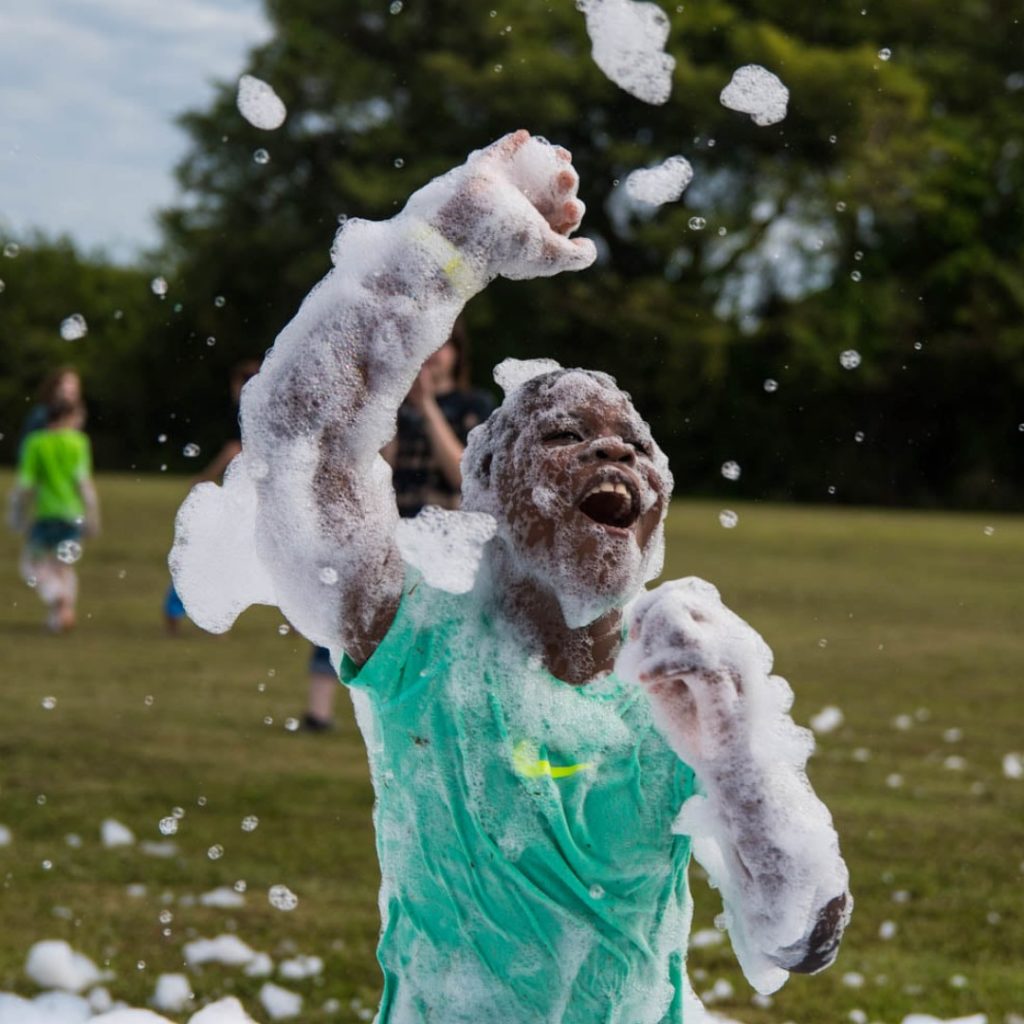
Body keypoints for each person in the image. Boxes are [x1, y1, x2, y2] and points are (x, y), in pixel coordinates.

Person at [173, 131, 850, 1021]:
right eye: (565, 437)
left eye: (637, 444)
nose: (615, 448)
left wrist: (736, 760)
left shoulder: (674, 695)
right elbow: (303, 443)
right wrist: (442, 246)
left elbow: (800, 940)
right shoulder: (418, 646)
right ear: (487, 488)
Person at [302, 320, 494, 731]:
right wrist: (391, 406)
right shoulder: (388, 407)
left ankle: (427, 716)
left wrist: (426, 408)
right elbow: (375, 471)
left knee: (437, 632)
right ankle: (318, 713)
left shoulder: (475, 405)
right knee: (347, 615)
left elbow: (463, 476)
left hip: (445, 538)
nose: (434, 355)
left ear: (457, 354)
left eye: (443, 346)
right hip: (389, 529)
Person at [164, 359, 261, 633]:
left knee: (209, 550)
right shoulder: (262, 410)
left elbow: (233, 450)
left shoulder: (243, 409)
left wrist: (206, 476)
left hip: (238, 493)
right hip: (253, 493)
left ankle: (178, 609)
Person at [10, 397, 100, 633]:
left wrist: (17, 515)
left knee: (33, 564)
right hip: (73, 514)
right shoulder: (79, 442)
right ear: (67, 417)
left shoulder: (36, 442)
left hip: (45, 514)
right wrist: (93, 516)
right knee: (63, 566)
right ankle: (60, 617)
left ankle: (56, 595)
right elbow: (84, 484)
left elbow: (25, 486)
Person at [18, 367, 83, 451]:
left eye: (74, 384)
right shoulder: (40, 414)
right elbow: (25, 445)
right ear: (56, 387)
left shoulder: (78, 413)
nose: (70, 387)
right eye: (67, 383)